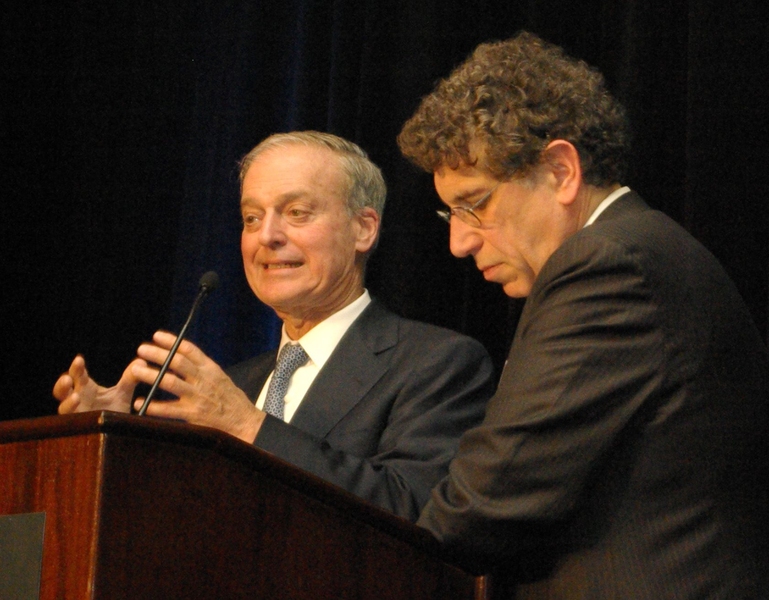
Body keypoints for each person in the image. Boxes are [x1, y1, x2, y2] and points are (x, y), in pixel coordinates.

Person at [397, 32, 769, 597]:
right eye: (449, 213)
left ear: (560, 171)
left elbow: (485, 499)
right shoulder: (634, 251)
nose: (459, 242)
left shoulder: (608, 266)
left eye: (475, 205)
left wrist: (371, 563)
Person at [54, 131, 494, 521]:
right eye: (251, 218)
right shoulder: (233, 385)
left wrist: (249, 426)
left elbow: (415, 510)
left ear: (363, 229)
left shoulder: (437, 364)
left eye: (296, 212)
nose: (267, 236)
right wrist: (112, 442)